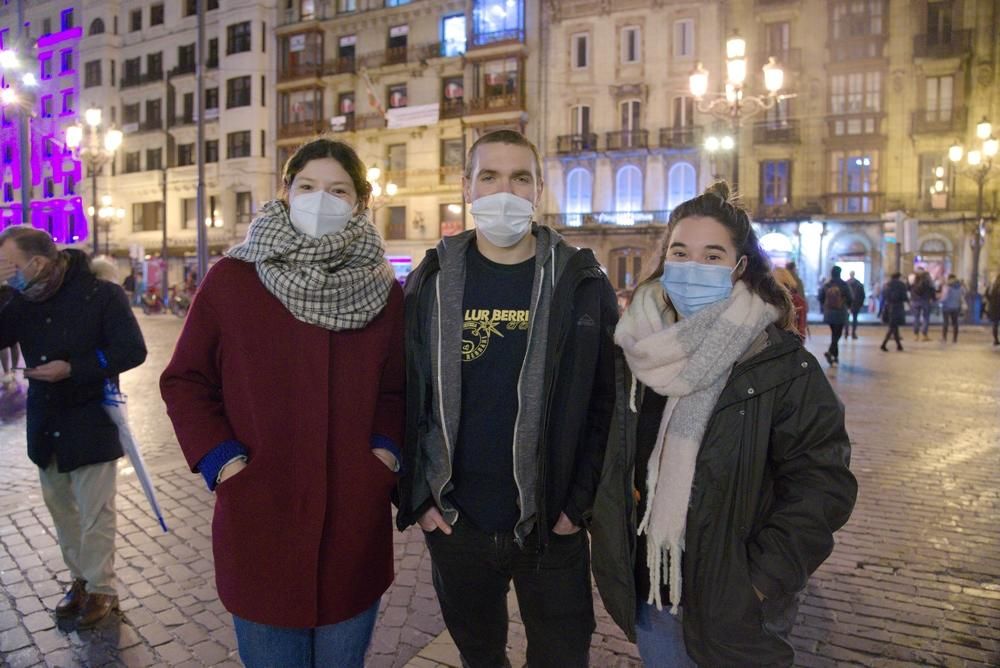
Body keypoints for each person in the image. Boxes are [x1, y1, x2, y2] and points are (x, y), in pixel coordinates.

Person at [590, 182, 857, 667]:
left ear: (740, 266)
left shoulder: (781, 365)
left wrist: (759, 581)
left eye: (712, 256)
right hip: (653, 590)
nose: (693, 267)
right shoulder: (634, 352)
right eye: (680, 252)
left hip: (737, 606)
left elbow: (822, 483)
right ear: (664, 260)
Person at [160, 138, 404, 667]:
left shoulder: (383, 287)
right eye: (308, 186)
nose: (321, 200)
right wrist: (223, 462)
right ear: (285, 191)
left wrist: (383, 455)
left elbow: (398, 390)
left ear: (361, 202)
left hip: (351, 520)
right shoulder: (232, 279)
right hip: (260, 514)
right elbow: (186, 380)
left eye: (338, 190)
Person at [395, 130, 618, 668]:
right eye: (489, 176)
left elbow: (606, 403)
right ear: (466, 187)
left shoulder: (581, 282)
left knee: (562, 657)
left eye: (520, 177)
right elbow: (405, 392)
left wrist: (577, 505)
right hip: (458, 523)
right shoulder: (430, 280)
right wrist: (419, 497)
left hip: (551, 524)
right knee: (480, 656)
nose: (505, 190)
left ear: (539, 189)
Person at [0, 226, 147, 628]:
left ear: (37, 262)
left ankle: (102, 588)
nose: (7, 274)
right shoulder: (20, 300)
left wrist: (73, 368)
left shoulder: (101, 294)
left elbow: (131, 350)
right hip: (46, 422)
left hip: (90, 418)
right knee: (62, 509)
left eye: (10, 266)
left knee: (95, 512)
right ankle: (81, 580)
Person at [818, 266, 852, 366]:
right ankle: (830, 352)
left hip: (829, 313)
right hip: (841, 312)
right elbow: (850, 298)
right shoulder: (844, 285)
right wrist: (847, 305)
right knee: (838, 334)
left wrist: (826, 306)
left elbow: (820, 297)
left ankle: (835, 356)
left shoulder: (827, 285)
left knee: (834, 333)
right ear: (840, 273)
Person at [773, 267, 807, 341]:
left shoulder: (775, 300)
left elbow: (801, 329)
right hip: (791, 340)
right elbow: (802, 329)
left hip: (786, 341)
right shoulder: (799, 300)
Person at [879, 272, 909, 352]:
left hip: (888, 306)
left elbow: (883, 296)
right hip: (898, 307)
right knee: (893, 326)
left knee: (894, 326)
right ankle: (884, 344)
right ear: (899, 277)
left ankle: (899, 345)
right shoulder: (901, 285)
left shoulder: (887, 284)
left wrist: (881, 310)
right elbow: (904, 297)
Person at [910, 268, 935, 341]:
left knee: (916, 318)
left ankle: (916, 335)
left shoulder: (915, 280)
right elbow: (932, 290)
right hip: (925, 300)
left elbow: (910, 289)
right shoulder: (928, 281)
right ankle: (924, 335)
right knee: (926, 317)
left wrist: (912, 298)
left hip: (915, 301)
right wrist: (933, 298)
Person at [938, 274, 964, 343]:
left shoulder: (947, 287)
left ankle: (944, 338)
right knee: (955, 323)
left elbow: (944, 297)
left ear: (949, 279)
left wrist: (940, 301)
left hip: (946, 307)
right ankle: (955, 339)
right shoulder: (960, 287)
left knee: (945, 322)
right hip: (956, 307)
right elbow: (961, 296)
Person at [845, 270, 866, 339]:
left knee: (846, 319)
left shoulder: (846, 283)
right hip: (856, 304)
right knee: (854, 319)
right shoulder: (859, 284)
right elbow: (863, 295)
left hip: (847, 305)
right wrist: (861, 304)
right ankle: (853, 333)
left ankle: (846, 333)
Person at [986, 274, 1000, 346]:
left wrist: (991, 301)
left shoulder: (992, 286)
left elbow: (987, 294)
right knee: (995, 324)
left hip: (994, 308)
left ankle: (996, 340)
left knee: (995, 324)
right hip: (996, 307)